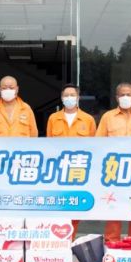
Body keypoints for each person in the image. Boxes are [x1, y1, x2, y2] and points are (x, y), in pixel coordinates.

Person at [96, 82, 131, 242]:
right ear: (117, 97)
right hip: (114, 169)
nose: (125, 97)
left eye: (129, 94)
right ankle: (111, 241)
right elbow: (98, 142)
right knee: (113, 205)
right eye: (122, 94)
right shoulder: (108, 117)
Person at [46, 83, 97, 240]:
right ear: (62, 98)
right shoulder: (53, 118)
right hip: (58, 169)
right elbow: (48, 144)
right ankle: (58, 239)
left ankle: (70, 238)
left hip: (78, 169)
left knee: (75, 204)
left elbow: (95, 146)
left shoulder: (88, 119)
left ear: (78, 97)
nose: (69, 98)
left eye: (72, 95)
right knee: (59, 203)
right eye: (66, 95)